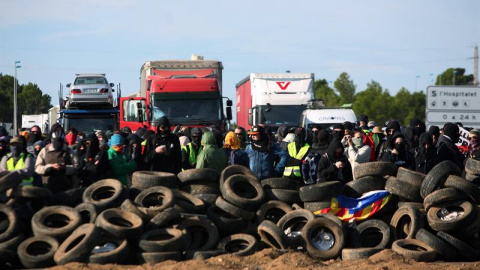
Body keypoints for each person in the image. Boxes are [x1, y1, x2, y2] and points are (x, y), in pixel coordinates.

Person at [35, 125, 80, 193]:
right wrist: (49, 167)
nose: (58, 145)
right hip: (47, 187)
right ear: (52, 140)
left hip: (66, 187)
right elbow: (37, 168)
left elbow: (77, 167)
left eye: (60, 142)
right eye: (56, 142)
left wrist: (65, 168)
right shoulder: (44, 151)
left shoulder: (69, 150)